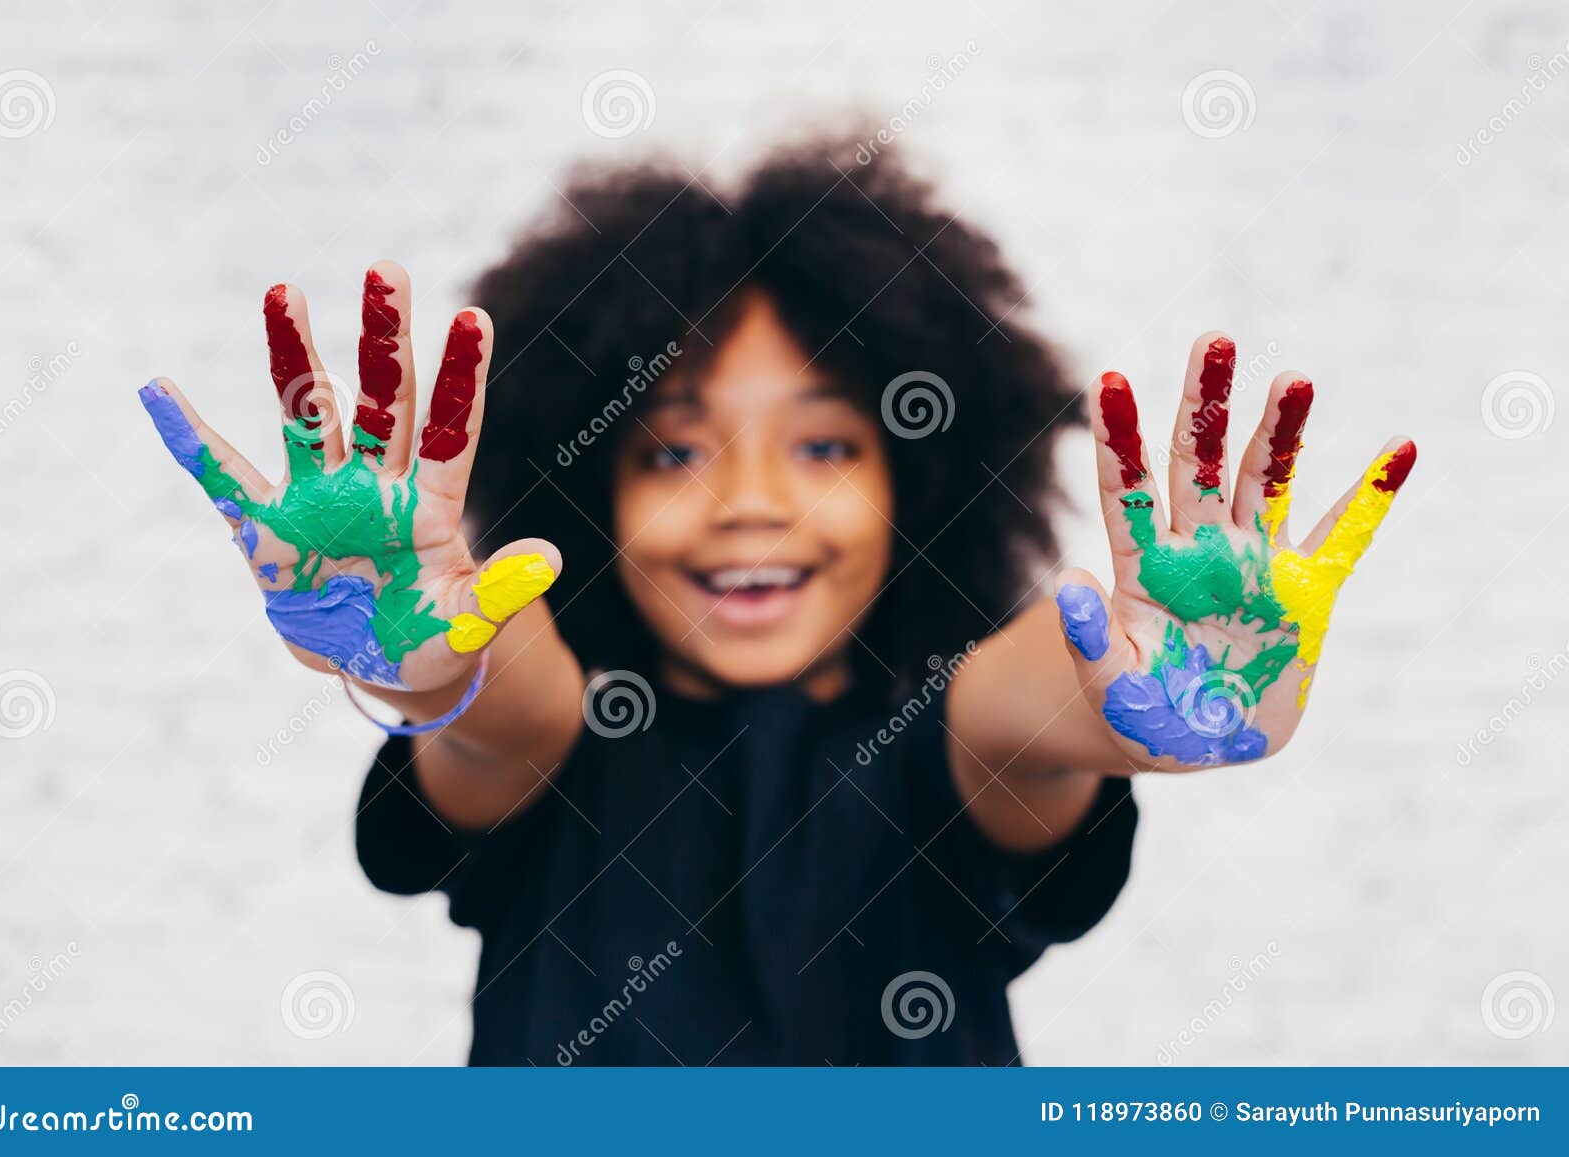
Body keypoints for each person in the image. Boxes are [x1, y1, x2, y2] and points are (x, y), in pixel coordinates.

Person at [138, 141, 1414, 1065]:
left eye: (822, 447)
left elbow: (1032, 696)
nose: (751, 501)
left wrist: (1136, 695)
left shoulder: (941, 738)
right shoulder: (563, 740)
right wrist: (416, 651)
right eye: (676, 450)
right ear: (586, 493)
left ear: (921, 481)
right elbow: (495, 693)